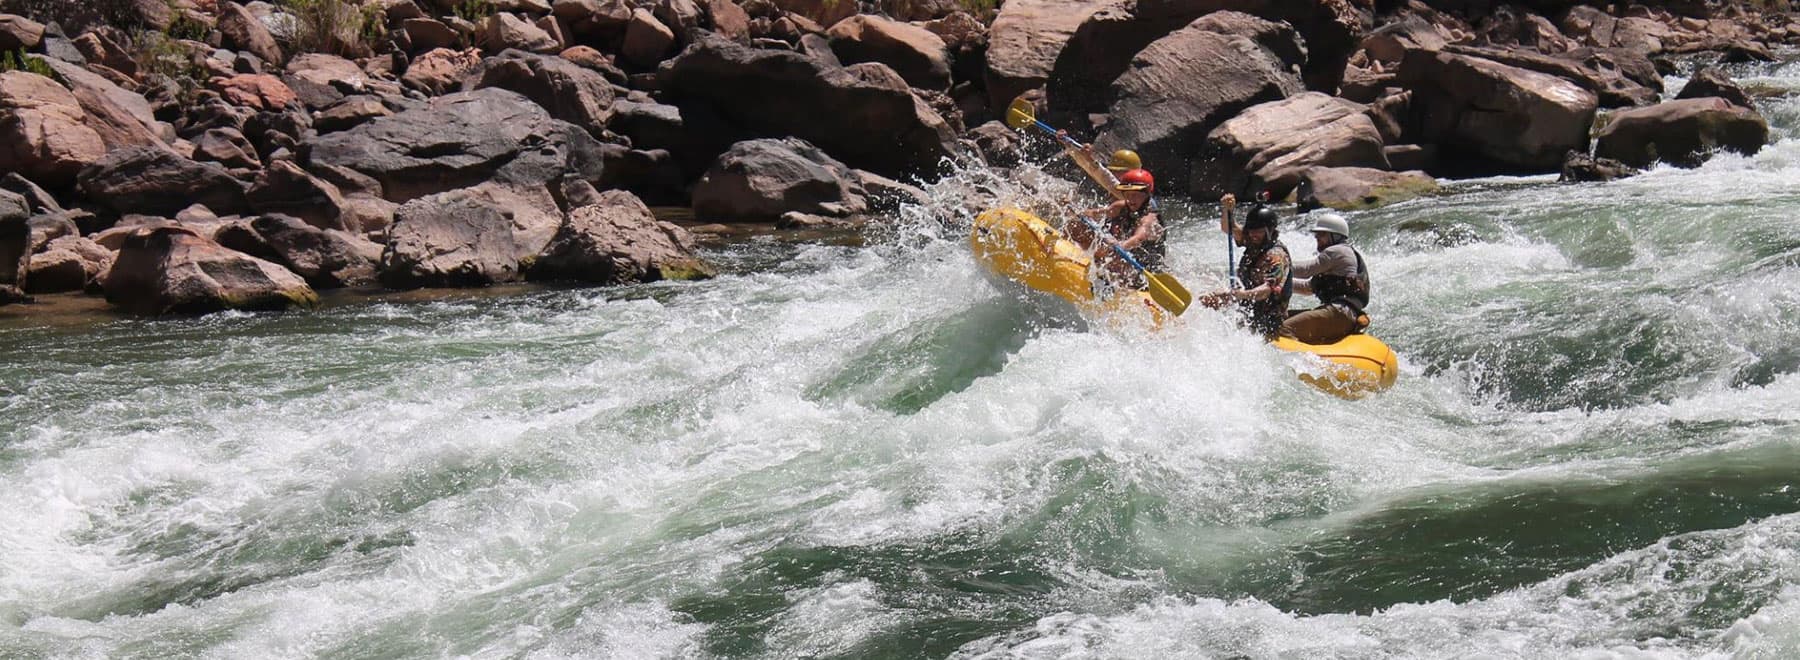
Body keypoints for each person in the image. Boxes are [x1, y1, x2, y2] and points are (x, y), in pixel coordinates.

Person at [1200, 193, 1291, 339]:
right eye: (1251, 231)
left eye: (1259, 231)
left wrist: (1241, 295)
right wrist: (1227, 209)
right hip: (1247, 307)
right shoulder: (1253, 240)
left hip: (1268, 319)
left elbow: (1266, 290)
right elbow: (1229, 229)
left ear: (1270, 231)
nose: (1254, 235)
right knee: (1208, 300)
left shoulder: (1277, 256)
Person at [1067, 168, 1165, 291]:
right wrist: (1075, 211)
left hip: (1143, 270)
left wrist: (1121, 245)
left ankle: (1099, 276)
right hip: (1125, 260)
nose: (1131, 198)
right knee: (1076, 227)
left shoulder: (1149, 219)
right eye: (1127, 194)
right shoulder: (1121, 206)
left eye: (1135, 194)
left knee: (1106, 252)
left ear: (1146, 194)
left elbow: (1138, 238)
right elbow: (1095, 213)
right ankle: (1069, 252)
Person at [1280, 212, 1370, 344]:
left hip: (1339, 313)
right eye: (1317, 234)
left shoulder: (1337, 251)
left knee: (1283, 328)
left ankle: (1301, 360)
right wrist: (1277, 281)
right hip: (1343, 314)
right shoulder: (1335, 259)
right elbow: (1307, 288)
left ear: (1336, 236)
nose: (1317, 237)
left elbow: (1306, 270)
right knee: (1279, 318)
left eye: (1322, 234)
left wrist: (1278, 266)